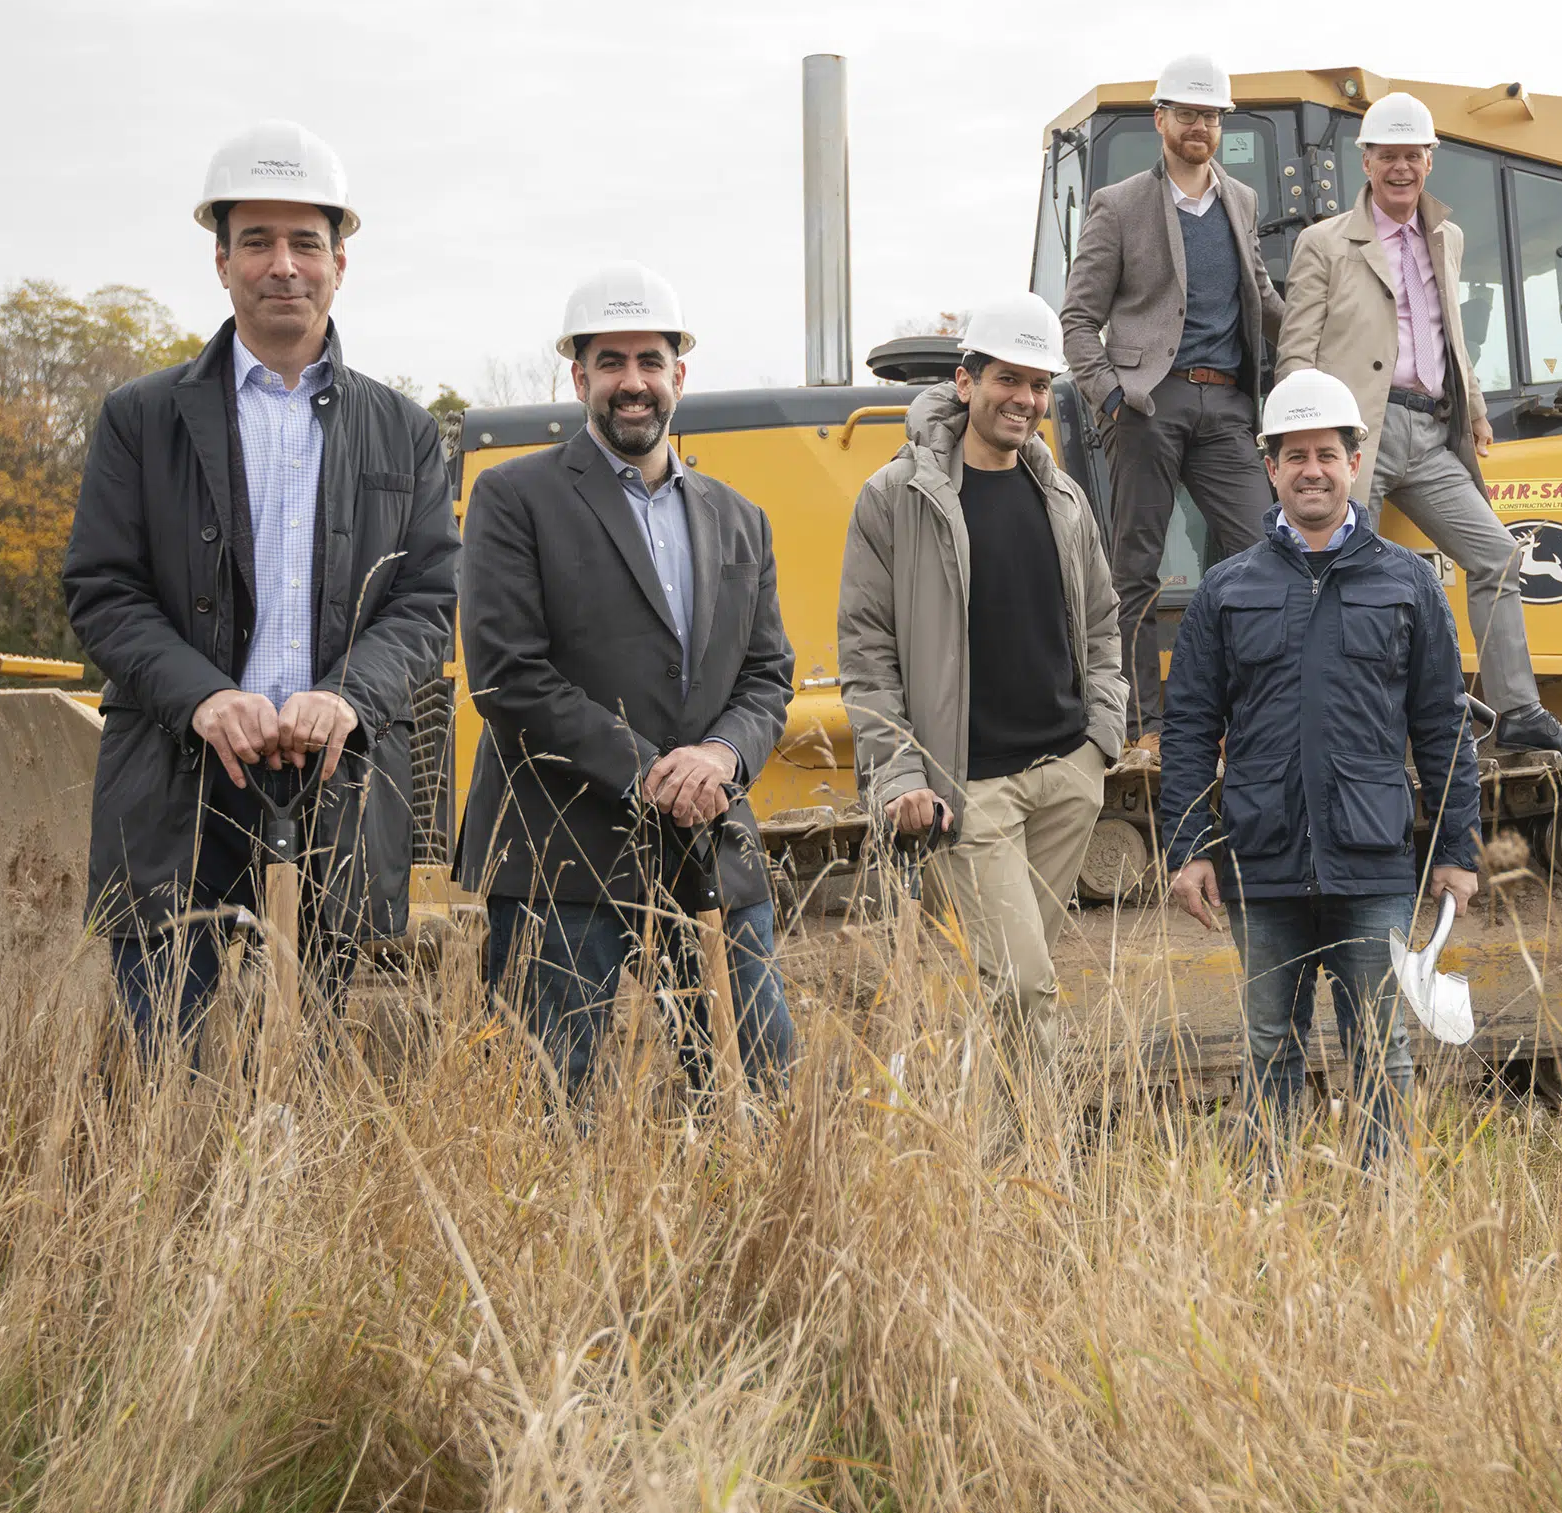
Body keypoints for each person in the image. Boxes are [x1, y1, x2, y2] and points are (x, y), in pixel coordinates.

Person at [63, 121, 459, 1060]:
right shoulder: (140, 419)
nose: (283, 265)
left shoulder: (402, 430)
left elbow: (429, 597)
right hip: (175, 783)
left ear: (340, 262)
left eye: (305, 243)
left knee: (312, 1077)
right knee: (171, 1075)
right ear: (221, 260)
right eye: (257, 242)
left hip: (334, 786)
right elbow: (103, 589)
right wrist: (203, 696)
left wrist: (348, 697)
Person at [458, 266, 796, 1103]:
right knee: (549, 1107)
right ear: (579, 377)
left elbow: (766, 675)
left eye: (651, 360)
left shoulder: (739, 517)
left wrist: (717, 758)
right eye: (611, 362)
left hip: (708, 843)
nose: (633, 382)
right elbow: (508, 677)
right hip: (559, 851)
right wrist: (649, 772)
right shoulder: (514, 498)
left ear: (681, 373)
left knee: (758, 1086)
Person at [1161, 369, 1480, 1172]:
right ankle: (1268, 1221)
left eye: (1327, 453)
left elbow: (1442, 726)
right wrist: (1190, 845)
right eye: (1294, 454)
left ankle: (1386, 1220)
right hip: (1263, 864)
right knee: (1269, 1045)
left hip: (1372, 862)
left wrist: (1458, 849)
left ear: (1354, 461)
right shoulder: (1227, 591)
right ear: (1270, 467)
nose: (1312, 469)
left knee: (1381, 1047)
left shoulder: (1408, 583)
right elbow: (1191, 728)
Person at [837, 294, 1126, 1122]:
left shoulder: (1062, 499)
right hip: (971, 792)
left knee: (1005, 985)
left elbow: (1101, 622)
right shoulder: (896, 499)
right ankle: (1048, 1166)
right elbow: (867, 654)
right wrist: (897, 773)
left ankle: (984, 1173)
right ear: (966, 382)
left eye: (1039, 385)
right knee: (1026, 980)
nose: (1025, 400)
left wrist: (1099, 740)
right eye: (1008, 379)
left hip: (1065, 778)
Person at [1277, 91, 1562, 763]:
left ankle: (1519, 710)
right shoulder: (1325, 244)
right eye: (1387, 156)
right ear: (1365, 161)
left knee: (1497, 554)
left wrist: (1476, 407)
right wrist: (1300, 439)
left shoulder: (1446, 238)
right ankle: (1328, 717)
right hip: (1358, 434)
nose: (1400, 168)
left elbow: (1447, 335)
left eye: (1411, 156)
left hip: (1431, 434)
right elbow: (1296, 351)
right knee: (1327, 573)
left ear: (1431, 160)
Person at [1060, 54, 1285, 763]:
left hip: (1226, 407)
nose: (1200, 127)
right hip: (1148, 405)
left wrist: (1327, 328)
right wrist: (1111, 397)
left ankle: (1246, 718)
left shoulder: (1241, 201)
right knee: (1135, 570)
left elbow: (1265, 299)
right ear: (1161, 120)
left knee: (1264, 552)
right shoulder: (1120, 205)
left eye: (1211, 116)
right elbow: (1076, 320)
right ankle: (1142, 728)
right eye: (1187, 114)